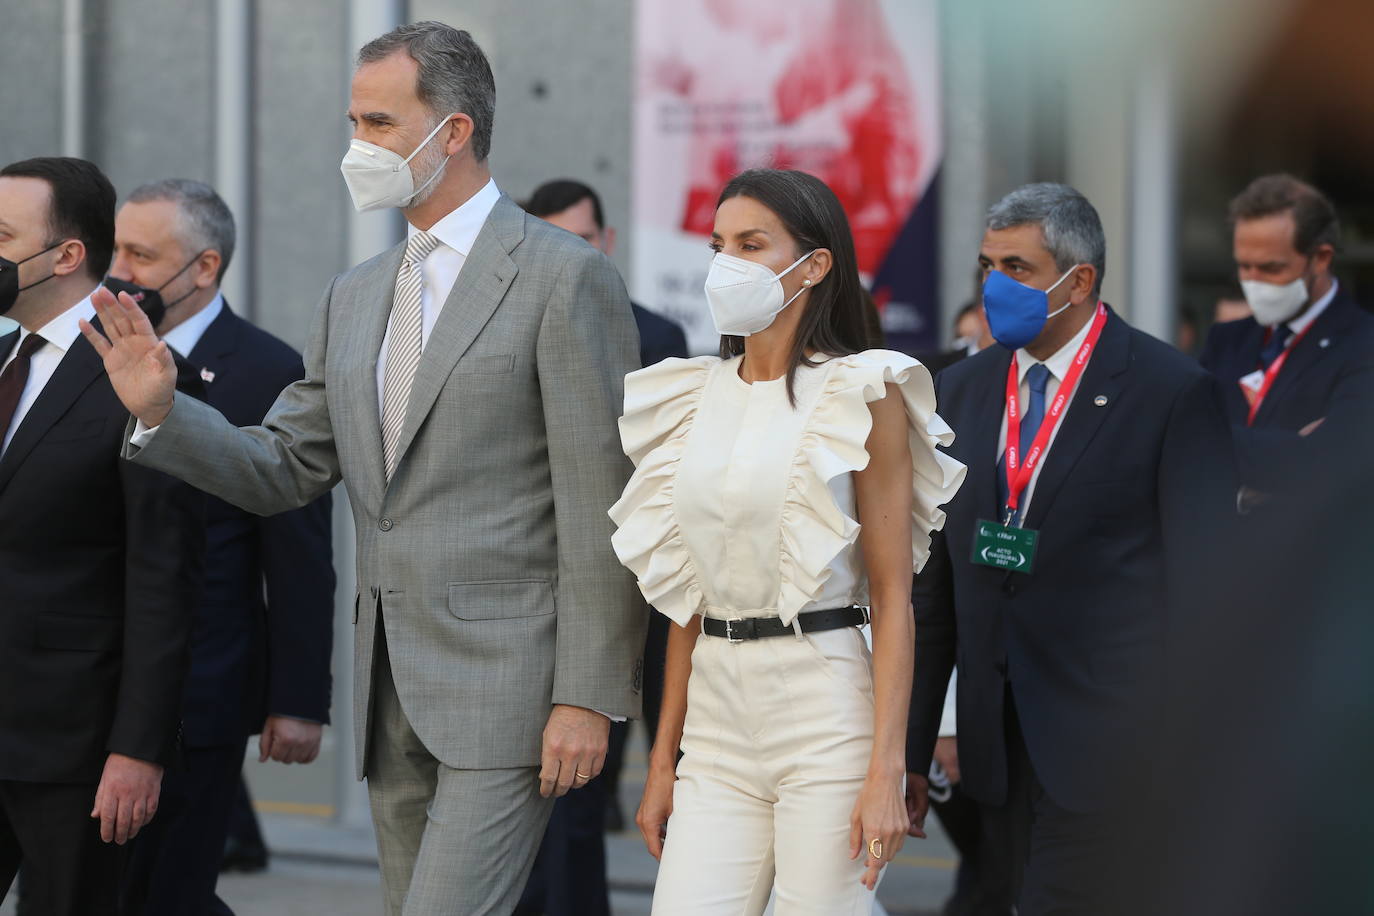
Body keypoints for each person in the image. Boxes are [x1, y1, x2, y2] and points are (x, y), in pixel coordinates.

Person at [81, 21, 644, 915]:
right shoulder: (356, 293)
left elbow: (600, 504)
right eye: (354, 122)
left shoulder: (563, 278)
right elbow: (286, 466)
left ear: (453, 131)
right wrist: (161, 410)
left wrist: (589, 696)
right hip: (391, 691)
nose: (359, 146)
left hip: (510, 692)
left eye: (379, 123)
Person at [615, 167, 965, 914]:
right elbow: (683, 598)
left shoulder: (865, 393)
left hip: (826, 707)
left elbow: (895, 597)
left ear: (814, 264)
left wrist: (886, 770)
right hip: (715, 716)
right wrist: (660, 761)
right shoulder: (688, 395)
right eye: (718, 244)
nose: (726, 263)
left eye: (751, 243)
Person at [905, 183, 1236, 915]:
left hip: (1118, 748)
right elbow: (934, 591)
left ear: (1079, 280)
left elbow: (1208, 590)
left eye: (1018, 268)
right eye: (988, 265)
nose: (996, 286)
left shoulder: (1172, 392)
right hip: (996, 744)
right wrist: (911, 748)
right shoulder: (957, 391)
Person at [107, 179, 336, 916]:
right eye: (116, 249)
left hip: (203, 687)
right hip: (98, 682)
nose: (120, 271)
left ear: (203, 269)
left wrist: (297, 700)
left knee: (173, 888)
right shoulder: (94, 352)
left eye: (141, 255)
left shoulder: (267, 371)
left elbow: (298, 549)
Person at [0, 156, 205, 915]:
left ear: (65, 255)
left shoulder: (142, 373)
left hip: (75, 754)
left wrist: (138, 749)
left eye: (0, 236)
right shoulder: (2, 361)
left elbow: (164, 576)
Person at [519, 178, 689, 916]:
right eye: (553, 238)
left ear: (607, 242)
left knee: (667, 772)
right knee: (563, 792)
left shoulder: (656, 336)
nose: (571, 255)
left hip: (651, 589)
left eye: (582, 240)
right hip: (552, 592)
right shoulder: (513, 328)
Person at [1198, 174, 1374, 510]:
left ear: (1321, 259)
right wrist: (1291, 453)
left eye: (1271, 268)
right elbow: (1181, 438)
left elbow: (1333, 465)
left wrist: (1213, 445)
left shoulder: (1363, 344)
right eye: (1244, 266)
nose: (1253, 281)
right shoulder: (1228, 338)